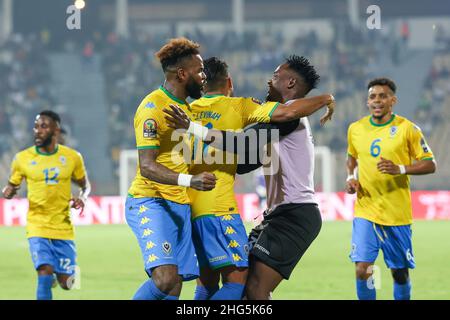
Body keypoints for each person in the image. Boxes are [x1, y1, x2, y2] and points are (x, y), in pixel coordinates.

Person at [163, 55, 334, 300]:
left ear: (290, 84)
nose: (269, 81)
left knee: (253, 289)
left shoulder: (290, 118)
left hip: (295, 215)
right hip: (277, 215)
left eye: (276, 76)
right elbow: (243, 163)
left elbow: (241, 143)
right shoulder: (277, 121)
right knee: (243, 287)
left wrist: (194, 128)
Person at [125, 37, 216, 300]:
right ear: (182, 73)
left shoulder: (187, 109)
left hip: (179, 204)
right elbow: (147, 166)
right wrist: (192, 181)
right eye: (199, 71)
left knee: (175, 285)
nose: (203, 76)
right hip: (150, 200)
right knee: (164, 279)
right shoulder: (152, 108)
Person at [346, 77, 436, 300]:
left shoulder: (408, 129)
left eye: (382, 96)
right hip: (366, 210)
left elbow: (430, 164)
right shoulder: (356, 129)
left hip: (396, 215)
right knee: (363, 268)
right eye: (372, 97)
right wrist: (351, 176)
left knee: (399, 273)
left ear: (392, 100)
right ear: (367, 102)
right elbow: (352, 157)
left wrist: (401, 169)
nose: (377, 100)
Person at [2, 110, 89, 300]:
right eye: (35, 126)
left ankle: (60, 276)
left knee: (68, 283)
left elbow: (85, 185)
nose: (37, 131)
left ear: (56, 130)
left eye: (43, 126)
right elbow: (11, 186)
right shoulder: (22, 158)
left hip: (63, 227)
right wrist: (7, 192)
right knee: (44, 270)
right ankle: (49, 276)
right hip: (37, 224)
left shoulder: (73, 157)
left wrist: (82, 196)